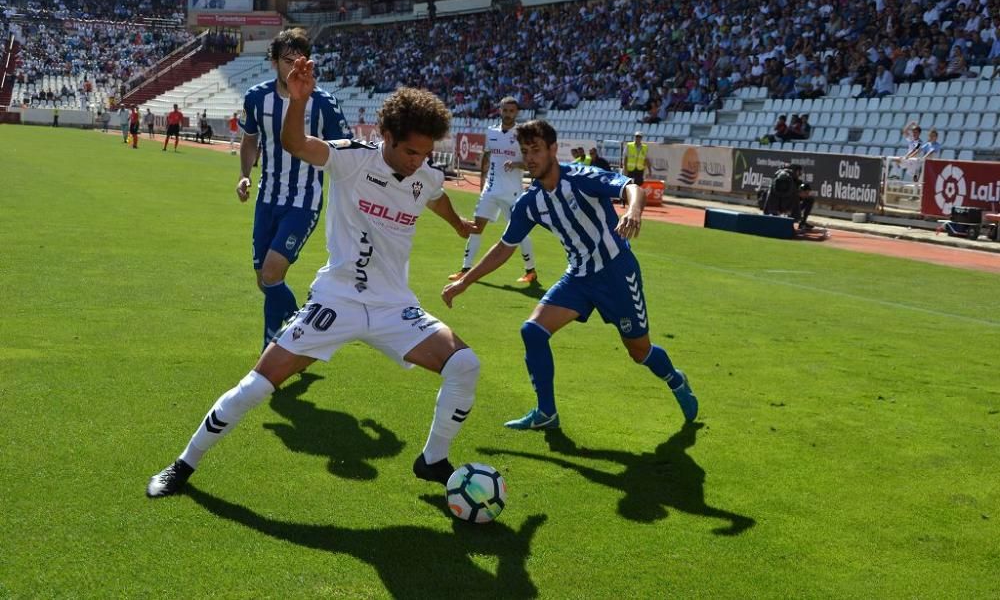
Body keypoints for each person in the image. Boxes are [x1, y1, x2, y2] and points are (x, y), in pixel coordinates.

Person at [146, 68, 483, 498]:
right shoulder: (353, 159)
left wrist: (456, 224)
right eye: (411, 151)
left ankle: (433, 460)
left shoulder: (425, 175)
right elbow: (295, 144)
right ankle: (182, 466)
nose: (418, 160)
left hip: (393, 306)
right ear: (387, 135)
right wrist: (299, 101)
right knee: (257, 385)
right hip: (337, 299)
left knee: (465, 364)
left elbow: (435, 195)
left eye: (424, 153)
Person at [441, 119, 697, 431]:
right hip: (578, 277)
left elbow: (632, 188)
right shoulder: (530, 202)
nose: (530, 158)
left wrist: (633, 211)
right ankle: (546, 413)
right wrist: (464, 281)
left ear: (552, 149)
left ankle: (675, 379)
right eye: (525, 151)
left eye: (536, 150)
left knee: (639, 351)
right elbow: (504, 247)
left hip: (616, 272)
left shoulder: (581, 177)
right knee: (532, 331)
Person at [237, 28, 352, 351]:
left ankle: (271, 352)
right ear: (274, 62)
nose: (293, 68)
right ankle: (305, 322)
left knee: (272, 274)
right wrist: (244, 175)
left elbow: (345, 149)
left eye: (299, 61)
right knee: (264, 280)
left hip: (304, 201)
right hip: (267, 198)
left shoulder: (324, 103)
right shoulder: (257, 98)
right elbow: (249, 141)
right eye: (287, 61)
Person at [448, 96, 537, 284]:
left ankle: (531, 270)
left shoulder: (523, 134)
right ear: (500, 111)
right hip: (490, 190)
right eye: (505, 110)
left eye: (511, 111)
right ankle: (465, 269)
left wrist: (516, 164)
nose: (507, 114)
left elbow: (532, 164)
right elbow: (487, 158)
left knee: (518, 232)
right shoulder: (491, 132)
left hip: (512, 193)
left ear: (517, 113)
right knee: (475, 228)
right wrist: (482, 182)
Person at [763, 164, 814, 230]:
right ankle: (801, 223)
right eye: (799, 172)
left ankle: (798, 222)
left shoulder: (777, 176)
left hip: (773, 205)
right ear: (796, 171)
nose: (800, 175)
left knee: (805, 199)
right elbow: (794, 195)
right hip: (784, 205)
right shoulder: (792, 180)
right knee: (809, 199)